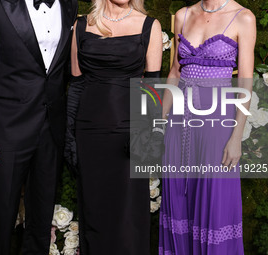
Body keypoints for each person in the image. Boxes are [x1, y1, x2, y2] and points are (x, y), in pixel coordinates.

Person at [0, 0, 78, 253]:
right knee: (2, 214)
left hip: (51, 128)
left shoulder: (69, 5)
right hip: (7, 128)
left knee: (41, 214)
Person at [64, 0, 163, 253]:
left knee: (129, 215)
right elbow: (76, 85)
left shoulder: (149, 25)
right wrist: (70, 136)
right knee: (94, 211)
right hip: (89, 133)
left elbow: (152, 88)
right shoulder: (82, 25)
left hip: (130, 132)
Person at [159, 0, 256, 254]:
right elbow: (175, 73)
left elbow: (245, 83)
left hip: (217, 124)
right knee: (178, 198)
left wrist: (236, 137)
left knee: (214, 201)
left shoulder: (243, 17)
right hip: (179, 122)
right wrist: (158, 125)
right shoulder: (183, 14)